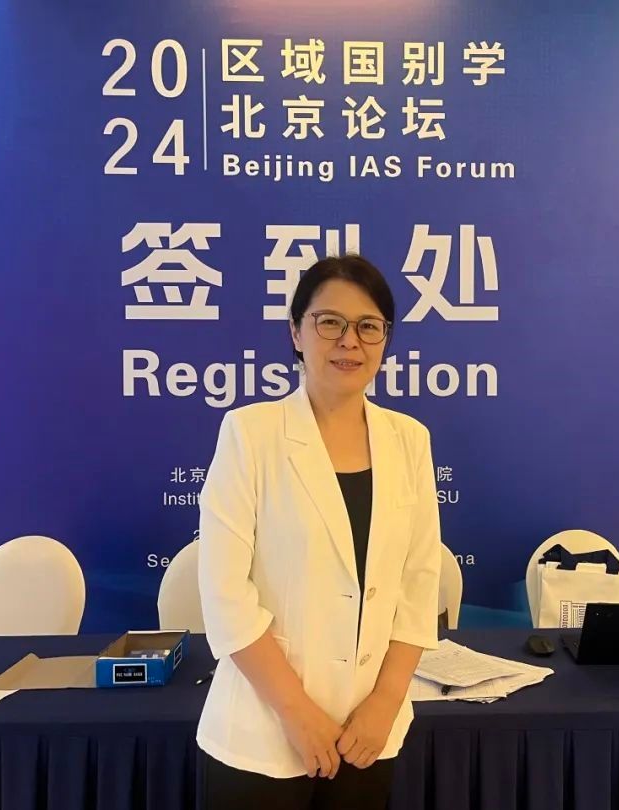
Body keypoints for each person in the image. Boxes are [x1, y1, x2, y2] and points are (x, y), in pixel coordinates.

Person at [197, 254, 442, 810]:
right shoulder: (250, 434)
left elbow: (419, 582)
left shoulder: (409, 439)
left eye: (368, 326)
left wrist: (385, 701)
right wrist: (297, 713)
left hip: (367, 733)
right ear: (296, 332)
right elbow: (225, 595)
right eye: (329, 322)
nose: (349, 341)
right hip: (264, 733)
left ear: (385, 339)